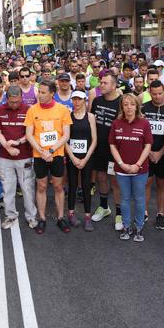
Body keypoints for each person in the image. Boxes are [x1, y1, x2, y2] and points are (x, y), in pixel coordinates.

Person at [25, 80, 72, 234]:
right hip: (39, 156)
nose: (40, 95)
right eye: (39, 92)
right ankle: (42, 218)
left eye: (44, 92)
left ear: (52, 93)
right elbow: (29, 134)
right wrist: (41, 151)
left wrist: (50, 151)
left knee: (58, 186)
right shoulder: (32, 110)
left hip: (56, 154)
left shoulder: (62, 110)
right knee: (42, 186)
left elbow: (66, 135)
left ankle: (60, 217)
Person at [109, 94, 153, 242]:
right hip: (122, 169)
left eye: (132, 104)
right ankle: (126, 226)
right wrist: (121, 164)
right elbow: (112, 145)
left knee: (140, 199)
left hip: (140, 169)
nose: (129, 107)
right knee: (125, 198)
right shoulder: (116, 123)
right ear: (122, 106)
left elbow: (148, 146)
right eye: (126, 104)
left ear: (137, 106)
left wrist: (137, 164)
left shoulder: (144, 123)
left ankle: (139, 228)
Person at [0, 86, 38, 229]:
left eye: (18, 101)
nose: (15, 105)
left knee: (27, 188)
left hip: (24, 156)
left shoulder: (28, 109)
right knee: (8, 189)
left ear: (21, 98)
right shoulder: (0, 110)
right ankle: (10, 215)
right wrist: (6, 146)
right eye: (12, 102)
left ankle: (31, 216)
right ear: (7, 99)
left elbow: (31, 132)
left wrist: (18, 142)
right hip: (5, 158)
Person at [142, 80, 164, 229]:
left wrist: (160, 153)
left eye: (160, 93)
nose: (157, 96)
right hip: (147, 152)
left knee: (161, 184)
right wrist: (149, 152)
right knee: (147, 183)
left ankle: (160, 213)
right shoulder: (144, 108)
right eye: (154, 94)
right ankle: (143, 212)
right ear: (149, 93)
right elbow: (141, 133)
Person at [90, 72, 123, 230]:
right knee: (101, 177)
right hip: (99, 148)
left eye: (104, 83)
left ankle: (119, 213)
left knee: (115, 181)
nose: (100, 85)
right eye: (100, 82)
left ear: (114, 85)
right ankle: (104, 207)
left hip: (115, 150)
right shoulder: (96, 101)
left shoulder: (122, 102)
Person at [65, 90, 97, 231]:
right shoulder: (68, 116)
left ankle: (87, 216)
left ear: (85, 101)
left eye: (79, 99)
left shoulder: (90, 117)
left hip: (86, 157)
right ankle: (71, 214)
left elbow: (94, 140)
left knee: (86, 185)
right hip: (72, 156)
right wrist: (72, 157)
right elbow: (65, 139)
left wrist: (85, 158)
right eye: (74, 99)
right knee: (72, 185)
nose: (76, 102)